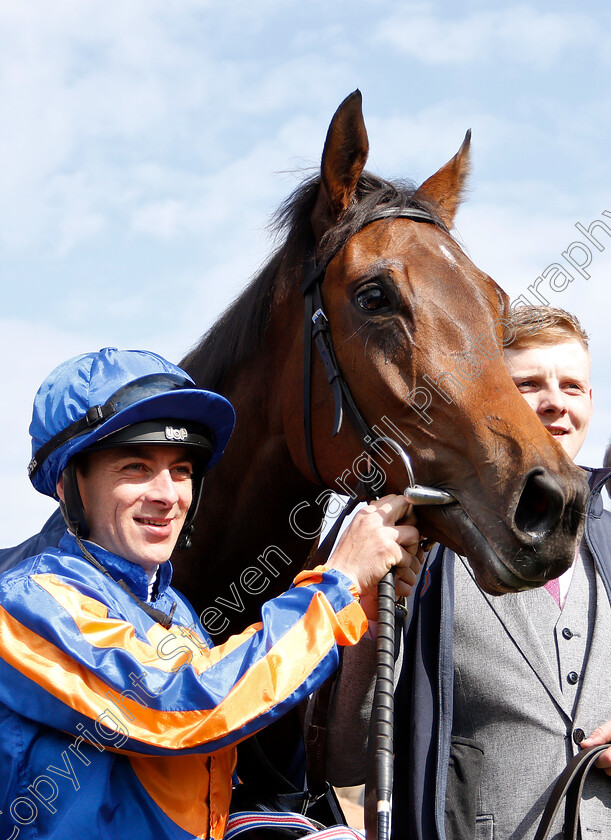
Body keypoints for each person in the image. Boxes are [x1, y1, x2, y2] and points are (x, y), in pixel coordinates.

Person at [0, 347, 424, 840]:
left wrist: (357, 608)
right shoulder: (27, 601)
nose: (167, 494)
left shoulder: (172, 609)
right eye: (136, 466)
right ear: (69, 483)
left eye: (182, 470)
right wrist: (335, 587)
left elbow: (221, 750)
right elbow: (177, 709)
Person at [326, 306, 611, 840]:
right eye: (529, 383)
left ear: (590, 402)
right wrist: (370, 616)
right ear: (490, 399)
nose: (555, 403)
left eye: (572, 386)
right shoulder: (421, 540)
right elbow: (347, 758)